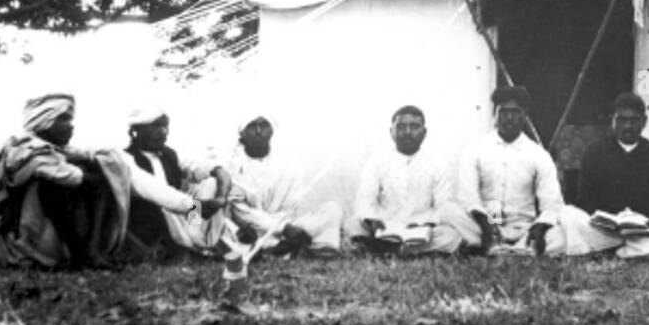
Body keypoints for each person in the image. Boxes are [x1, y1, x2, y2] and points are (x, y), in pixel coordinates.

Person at [0, 94, 131, 268]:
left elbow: (87, 156)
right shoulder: (29, 151)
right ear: (44, 122)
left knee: (93, 174)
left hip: (44, 236)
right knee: (56, 185)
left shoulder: (54, 150)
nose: (71, 126)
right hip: (28, 240)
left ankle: (86, 251)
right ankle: (81, 255)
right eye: (63, 119)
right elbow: (73, 177)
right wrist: (95, 174)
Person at [186, 115, 344, 257]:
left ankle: (301, 246)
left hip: (282, 226)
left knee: (332, 209)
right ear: (242, 133)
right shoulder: (230, 164)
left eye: (264, 126)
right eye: (252, 127)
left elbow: (290, 208)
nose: (259, 131)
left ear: (272, 131)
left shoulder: (288, 164)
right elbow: (241, 212)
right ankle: (278, 248)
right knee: (219, 217)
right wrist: (282, 228)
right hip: (244, 228)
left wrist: (288, 229)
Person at [560, 92, 649, 259]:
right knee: (567, 213)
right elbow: (584, 202)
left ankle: (615, 252)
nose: (627, 126)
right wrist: (606, 221)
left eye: (634, 120)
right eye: (622, 120)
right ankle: (629, 251)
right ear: (613, 121)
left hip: (644, 234)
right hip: (604, 233)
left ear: (644, 122)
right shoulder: (594, 153)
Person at [441, 86, 567, 256]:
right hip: (483, 225)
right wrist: (487, 226)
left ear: (525, 115)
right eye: (503, 111)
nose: (509, 118)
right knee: (447, 210)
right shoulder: (476, 149)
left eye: (515, 112)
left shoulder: (538, 154)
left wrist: (539, 227)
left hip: (525, 228)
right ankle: (514, 249)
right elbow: (468, 197)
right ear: (495, 114)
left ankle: (507, 247)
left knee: (568, 221)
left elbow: (552, 203)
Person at [352, 105, 462, 255]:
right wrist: (372, 221)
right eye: (401, 127)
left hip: (421, 228)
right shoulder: (377, 161)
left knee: (451, 236)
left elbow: (443, 204)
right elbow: (365, 199)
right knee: (352, 224)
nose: (408, 132)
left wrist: (428, 224)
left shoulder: (438, 163)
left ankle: (389, 249)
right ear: (392, 132)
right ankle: (400, 248)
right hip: (385, 227)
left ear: (424, 133)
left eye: (414, 127)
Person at [123, 106, 228, 256]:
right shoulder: (128, 159)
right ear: (137, 130)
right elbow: (159, 195)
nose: (163, 132)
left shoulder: (169, 155)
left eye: (165, 126)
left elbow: (203, 170)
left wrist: (220, 186)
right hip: (153, 219)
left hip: (185, 213)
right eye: (156, 126)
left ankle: (198, 240)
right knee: (165, 206)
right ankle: (198, 245)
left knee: (210, 184)